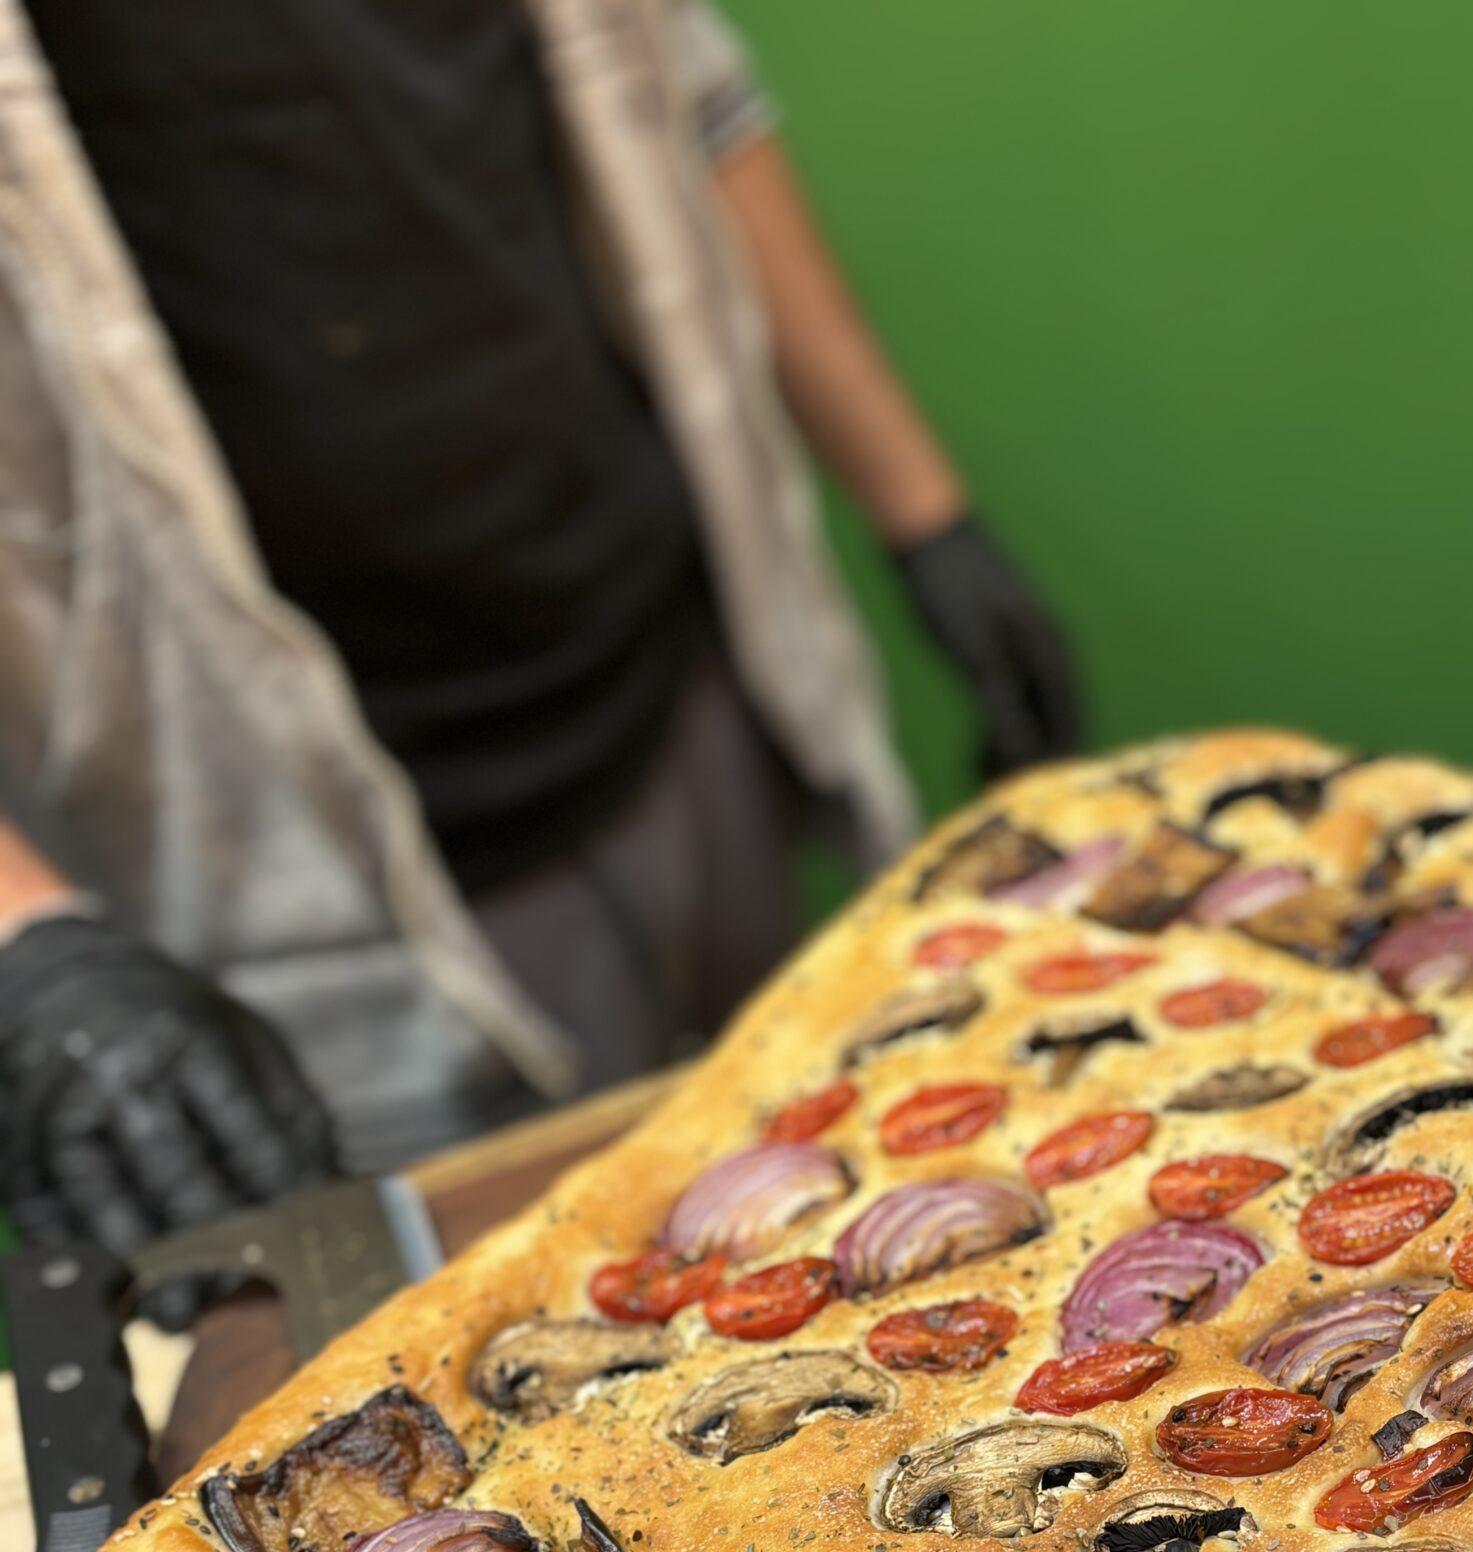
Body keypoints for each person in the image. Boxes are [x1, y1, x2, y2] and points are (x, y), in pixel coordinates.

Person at [0, 0, 1079, 1286]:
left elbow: (687, 96)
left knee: (842, 1231)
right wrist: (27, 939)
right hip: (286, 886)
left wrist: (921, 510)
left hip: (676, 693)